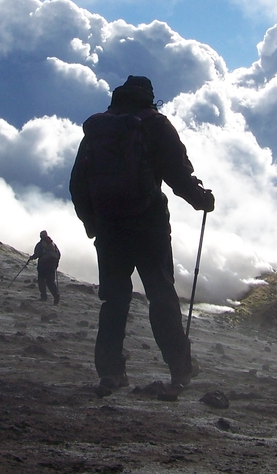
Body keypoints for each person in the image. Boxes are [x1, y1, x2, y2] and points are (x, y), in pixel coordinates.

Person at [70, 75, 215, 390]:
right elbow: (178, 174)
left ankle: (110, 372)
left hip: (109, 228)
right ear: (149, 97)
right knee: (161, 295)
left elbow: (78, 182)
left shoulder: (97, 131)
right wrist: (201, 200)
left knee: (114, 300)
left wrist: (91, 223)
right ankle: (180, 369)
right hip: (148, 224)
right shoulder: (156, 126)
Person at [28, 230, 61, 305]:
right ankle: (56, 295)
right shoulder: (53, 245)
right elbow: (58, 254)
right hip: (52, 265)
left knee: (41, 281)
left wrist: (31, 258)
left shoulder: (40, 244)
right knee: (50, 281)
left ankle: (44, 297)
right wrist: (56, 264)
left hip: (43, 265)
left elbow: (37, 254)